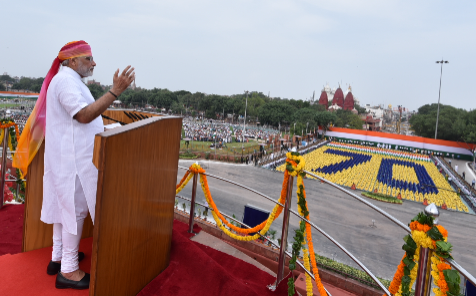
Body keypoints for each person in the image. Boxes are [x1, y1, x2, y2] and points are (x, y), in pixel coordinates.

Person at [15, 41, 135, 290]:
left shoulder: (67, 80)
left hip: (68, 158)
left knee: (64, 209)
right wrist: (115, 91)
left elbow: (82, 119)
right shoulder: (66, 82)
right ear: (72, 61)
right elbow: (83, 115)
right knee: (74, 212)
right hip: (73, 161)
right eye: (89, 58)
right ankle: (68, 271)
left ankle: (58, 258)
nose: (94, 63)